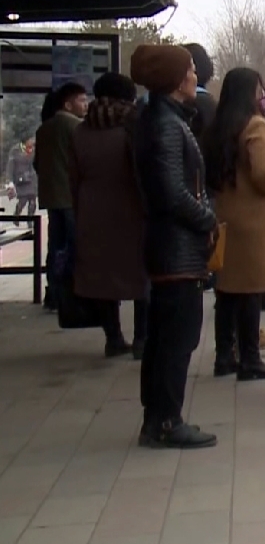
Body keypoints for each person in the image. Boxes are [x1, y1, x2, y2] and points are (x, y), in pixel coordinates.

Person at [130, 44, 218, 449]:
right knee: (176, 337)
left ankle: (159, 417)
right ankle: (166, 420)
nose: (195, 75)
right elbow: (171, 191)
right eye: (189, 70)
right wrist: (207, 220)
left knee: (167, 335)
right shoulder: (165, 124)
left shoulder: (164, 118)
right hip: (176, 247)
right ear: (175, 79)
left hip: (173, 245)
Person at [202, 67, 265, 382]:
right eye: (260, 89)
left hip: (226, 216)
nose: (264, 95)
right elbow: (263, 173)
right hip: (253, 220)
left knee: (227, 289)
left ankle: (225, 355)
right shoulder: (255, 126)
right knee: (251, 290)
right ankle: (250, 358)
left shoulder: (219, 127)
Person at [69, 72, 149, 359]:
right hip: (131, 208)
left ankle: (113, 338)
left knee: (103, 276)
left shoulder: (81, 131)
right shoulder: (134, 125)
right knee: (141, 274)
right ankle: (142, 338)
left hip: (93, 210)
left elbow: (73, 176)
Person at [34, 82, 89, 311]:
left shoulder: (43, 129)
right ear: (68, 104)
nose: (86, 105)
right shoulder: (76, 126)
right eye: (81, 100)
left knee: (55, 247)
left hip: (51, 197)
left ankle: (53, 292)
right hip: (72, 197)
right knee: (76, 245)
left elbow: (38, 163)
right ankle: (74, 293)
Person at [7, 139, 38, 225]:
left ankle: (30, 220)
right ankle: (16, 216)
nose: (32, 141)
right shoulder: (15, 150)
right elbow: (10, 166)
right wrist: (10, 180)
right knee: (23, 201)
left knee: (33, 201)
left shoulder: (34, 149)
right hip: (21, 179)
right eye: (30, 139)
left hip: (31, 178)